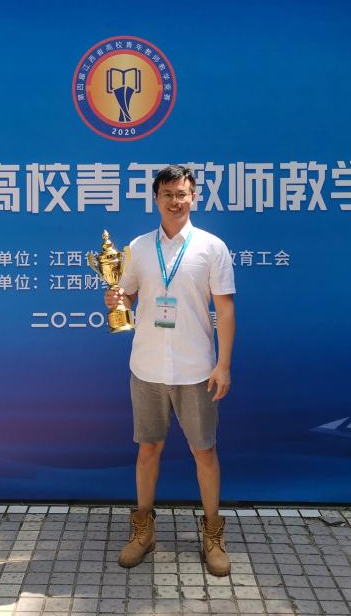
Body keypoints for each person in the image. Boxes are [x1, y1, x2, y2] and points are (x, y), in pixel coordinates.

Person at [103, 164, 236, 576]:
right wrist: (116, 301)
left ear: (193, 196)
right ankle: (143, 529)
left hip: (196, 369)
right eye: (168, 194)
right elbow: (126, 294)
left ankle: (213, 532)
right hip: (146, 366)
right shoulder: (138, 248)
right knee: (148, 450)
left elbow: (225, 310)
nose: (175, 201)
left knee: (204, 452)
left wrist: (223, 365)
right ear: (155, 199)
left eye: (182, 194)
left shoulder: (212, 247)